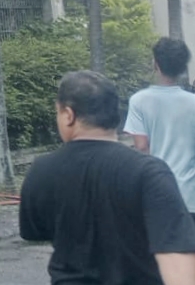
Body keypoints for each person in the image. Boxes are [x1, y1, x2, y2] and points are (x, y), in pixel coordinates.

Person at [20, 70, 195, 284]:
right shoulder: (150, 172)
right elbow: (175, 257)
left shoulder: (42, 170)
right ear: (116, 115)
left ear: (68, 115)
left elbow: (34, 231)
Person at [127, 38, 195, 216]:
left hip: (157, 192)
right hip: (190, 195)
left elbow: (141, 147)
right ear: (182, 67)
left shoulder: (139, 100)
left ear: (155, 64)